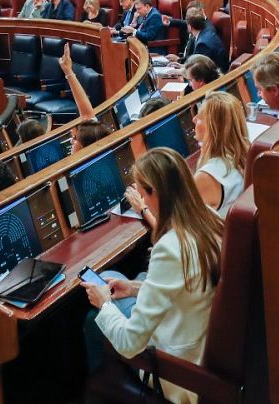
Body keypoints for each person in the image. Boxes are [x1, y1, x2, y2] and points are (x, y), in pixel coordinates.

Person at [81, 148, 223, 387]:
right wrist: (135, 288)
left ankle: (101, 388)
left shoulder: (170, 247)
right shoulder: (208, 217)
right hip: (200, 336)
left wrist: (104, 302)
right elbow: (189, 283)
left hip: (177, 369)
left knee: (92, 319)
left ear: (155, 192)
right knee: (112, 277)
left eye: (142, 194)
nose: (142, 202)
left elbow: (129, 343)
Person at [192, 91, 249, 215]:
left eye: (200, 117)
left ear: (213, 128)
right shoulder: (245, 154)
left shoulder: (206, 177)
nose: (194, 119)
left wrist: (143, 209)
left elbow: (185, 228)